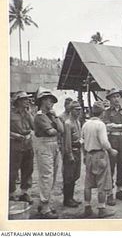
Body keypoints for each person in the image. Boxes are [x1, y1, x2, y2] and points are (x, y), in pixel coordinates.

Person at [81, 101, 118, 218]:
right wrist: (111, 150)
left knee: (88, 182)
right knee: (102, 182)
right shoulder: (100, 124)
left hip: (89, 154)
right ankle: (101, 208)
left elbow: (82, 141)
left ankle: (87, 207)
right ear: (102, 113)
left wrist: (85, 154)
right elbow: (104, 142)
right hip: (99, 154)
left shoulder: (85, 124)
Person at [33, 88, 64, 219]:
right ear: (42, 101)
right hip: (44, 144)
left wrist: (55, 117)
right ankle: (45, 208)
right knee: (46, 176)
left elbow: (61, 129)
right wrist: (56, 127)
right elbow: (51, 131)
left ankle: (44, 203)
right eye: (48, 100)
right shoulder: (40, 116)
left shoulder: (51, 115)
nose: (51, 102)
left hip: (53, 144)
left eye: (51, 100)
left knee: (53, 175)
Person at [103, 88, 122, 205]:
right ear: (110, 99)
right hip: (112, 140)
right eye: (113, 97)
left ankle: (120, 191)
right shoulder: (107, 112)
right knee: (110, 166)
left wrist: (117, 126)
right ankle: (109, 194)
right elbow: (106, 126)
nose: (116, 99)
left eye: (117, 96)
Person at [9, 91, 34, 204]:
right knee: (13, 170)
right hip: (15, 145)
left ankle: (24, 192)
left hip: (28, 145)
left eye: (28, 99)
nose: (27, 101)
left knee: (28, 169)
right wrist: (14, 135)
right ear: (18, 101)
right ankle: (11, 193)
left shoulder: (28, 113)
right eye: (24, 99)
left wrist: (29, 114)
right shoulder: (9, 114)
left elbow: (34, 127)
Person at [62, 101, 82, 208]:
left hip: (78, 151)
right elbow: (67, 141)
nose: (78, 112)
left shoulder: (77, 122)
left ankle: (71, 197)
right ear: (71, 110)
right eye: (76, 109)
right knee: (68, 176)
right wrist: (69, 154)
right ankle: (67, 199)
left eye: (79, 109)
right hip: (71, 152)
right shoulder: (68, 123)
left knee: (75, 175)